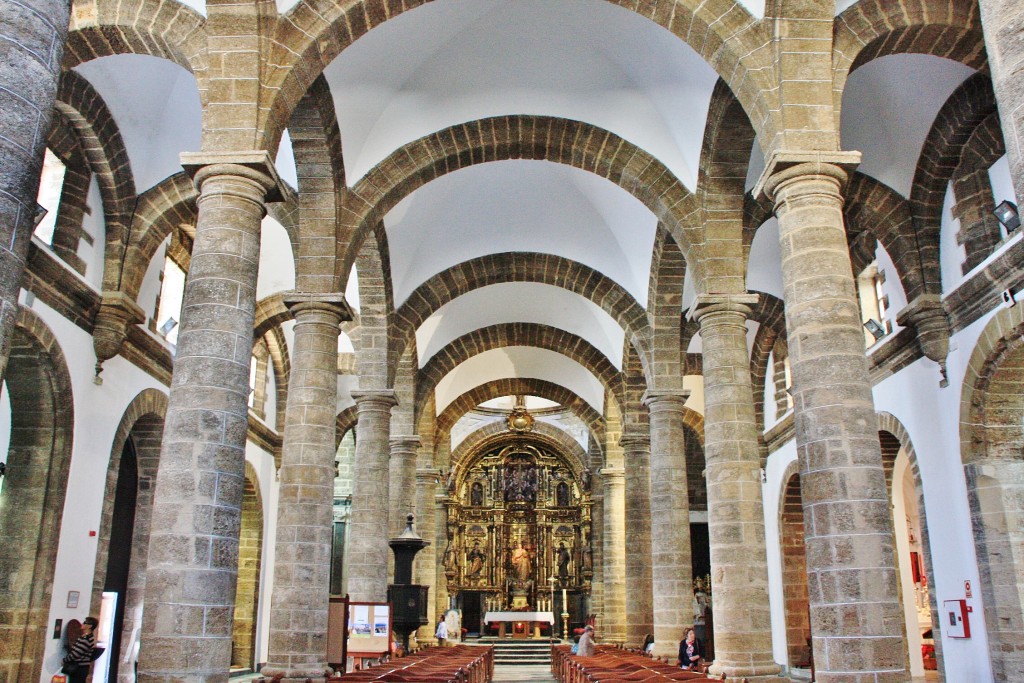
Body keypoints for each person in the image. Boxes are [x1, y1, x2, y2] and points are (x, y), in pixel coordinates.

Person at [63, 617, 98, 683]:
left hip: (79, 667)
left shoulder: (86, 639)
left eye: (85, 623)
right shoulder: (86, 637)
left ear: (90, 626)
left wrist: (65, 660)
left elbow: (76, 654)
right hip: (81, 667)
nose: (82, 624)